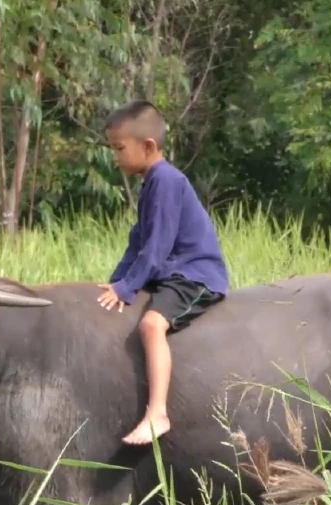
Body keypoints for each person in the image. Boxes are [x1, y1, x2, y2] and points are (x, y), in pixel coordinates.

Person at [96, 100, 231, 446]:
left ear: (148, 146)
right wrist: (118, 282)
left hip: (195, 275)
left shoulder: (167, 181)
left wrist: (128, 288)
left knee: (151, 324)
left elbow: (156, 247)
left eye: (119, 148)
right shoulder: (151, 183)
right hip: (172, 271)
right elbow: (137, 242)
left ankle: (157, 413)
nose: (115, 157)